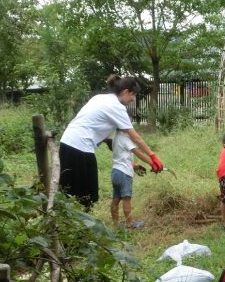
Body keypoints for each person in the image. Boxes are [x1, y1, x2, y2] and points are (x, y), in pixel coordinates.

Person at [59, 75, 164, 210]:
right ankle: (82, 226)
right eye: (133, 95)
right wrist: (153, 156)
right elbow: (135, 137)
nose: (133, 99)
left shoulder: (99, 98)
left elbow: (90, 123)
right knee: (87, 195)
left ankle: (64, 223)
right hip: (81, 147)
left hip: (66, 142)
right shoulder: (117, 108)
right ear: (126, 92)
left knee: (67, 188)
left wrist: (107, 140)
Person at [110, 129, 152, 229]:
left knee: (116, 199)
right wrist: (152, 163)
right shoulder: (124, 138)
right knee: (126, 198)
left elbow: (122, 156)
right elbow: (138, 153)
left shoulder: (116, 138)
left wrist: (133, 165)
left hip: (115, 171)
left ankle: (116, 224)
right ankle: (130, 223)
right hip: (124, 173)